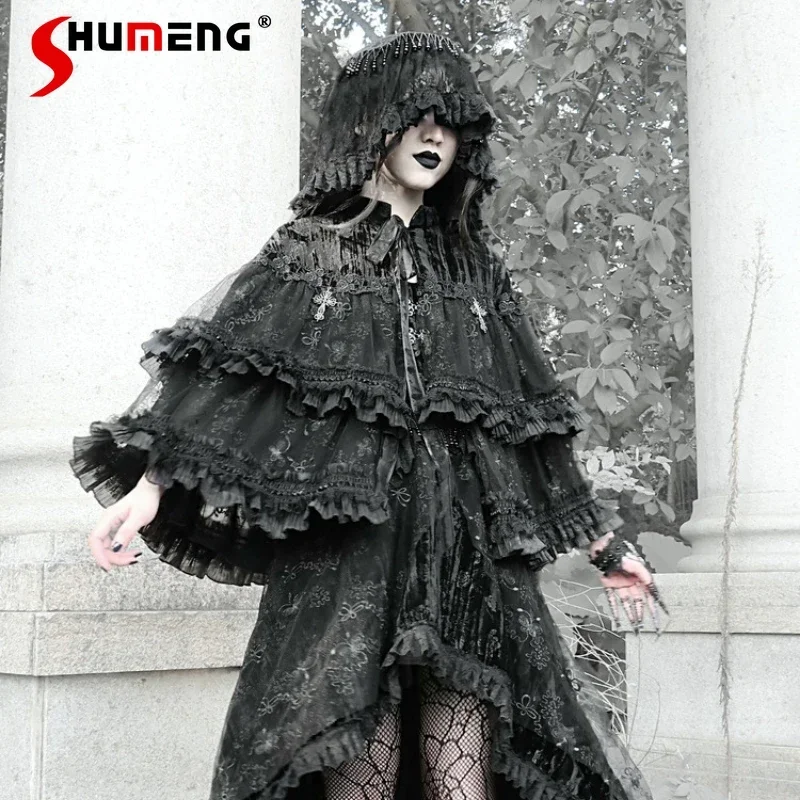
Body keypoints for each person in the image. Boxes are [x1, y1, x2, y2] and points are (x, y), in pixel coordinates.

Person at [70, 30, 668, 800]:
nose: (433, 135)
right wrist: (149, 487)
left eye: (447, 121)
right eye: (415, 115)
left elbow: (530, 428)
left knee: (462, 782)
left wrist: (607, 547)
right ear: (370, 123)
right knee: (361, 769)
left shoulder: (475, 272)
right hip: (351, 557)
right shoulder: (310, 252)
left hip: (465, 561)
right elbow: (232, 380)